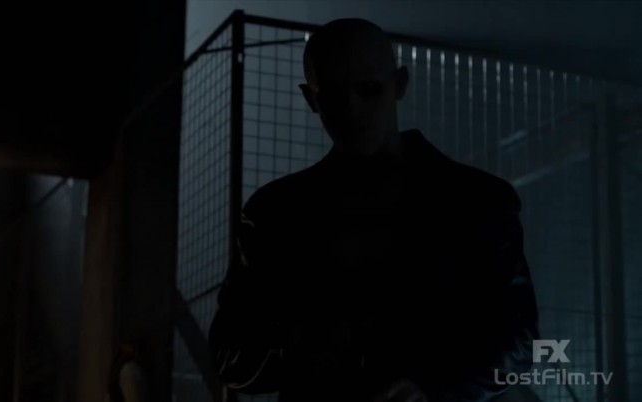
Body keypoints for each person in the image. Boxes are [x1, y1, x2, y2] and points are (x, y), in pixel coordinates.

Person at [208, 18, 539, 402]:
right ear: (312, 99)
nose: (351, 109)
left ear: (399, 85)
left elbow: (519, 342)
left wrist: (433, 388)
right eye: (334, 95)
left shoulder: (478, 202)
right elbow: (229, 354)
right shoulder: (274, 214)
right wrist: (298, 346)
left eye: (367, 89)